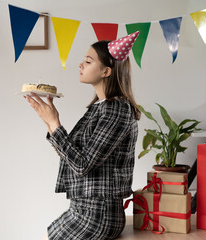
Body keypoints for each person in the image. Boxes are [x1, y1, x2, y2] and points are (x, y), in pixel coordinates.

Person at [24, 32, 141, 240]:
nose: (80, 65)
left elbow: (82, 165)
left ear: (106, 71)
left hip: (97, 214)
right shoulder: (99, 108)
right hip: (84, 209)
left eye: (88, 61)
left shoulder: (116, 110)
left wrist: (54, 123)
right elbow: (74, 155)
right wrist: (49, 122)